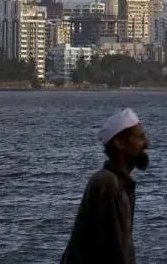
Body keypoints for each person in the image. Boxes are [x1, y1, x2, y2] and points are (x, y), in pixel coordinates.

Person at [61, 108, 151, 264]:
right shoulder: (107, 184)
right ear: (120, 143)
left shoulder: (118, 183)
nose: (147, 143)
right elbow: (113, 251)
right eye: (140, 137)